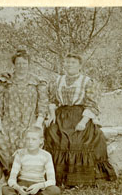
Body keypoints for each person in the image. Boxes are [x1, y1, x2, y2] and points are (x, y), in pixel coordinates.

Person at [44, 53, 117, 186]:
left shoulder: (87, 81)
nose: (69, 65)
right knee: (52, 134)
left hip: (80, 115)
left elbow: (92, 104)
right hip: (61, 116)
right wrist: (52, 115)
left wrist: (83, 122)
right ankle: (57, 178)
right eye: (67, 62)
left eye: (73, 62)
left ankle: (80, 179)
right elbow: (52, 100)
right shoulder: (57, 81)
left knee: (79, 140)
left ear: (79, 65)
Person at [0, 49, 48, 159]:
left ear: (28, 64)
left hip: (29, 122)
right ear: (14, 64)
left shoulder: (37, 82)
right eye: (18, 63)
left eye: (24, 63)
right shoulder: (5, 81)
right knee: (2, 143)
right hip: (9, 122)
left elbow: (43, 103)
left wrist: (38, 123)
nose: (21, 66)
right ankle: (7, 169)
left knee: (29, 147)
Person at [2, 126, 60, 195]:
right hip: (23, 185)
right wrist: (18, 188)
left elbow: (52, 180)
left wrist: (39, 186)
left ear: (41, 140)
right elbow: (11, 179)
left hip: (38, 186)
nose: (30, 142)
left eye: (34, 139)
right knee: (4, 189)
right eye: (28, 139)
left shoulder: (46, 156)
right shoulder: (20, 154)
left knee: (55, 190)